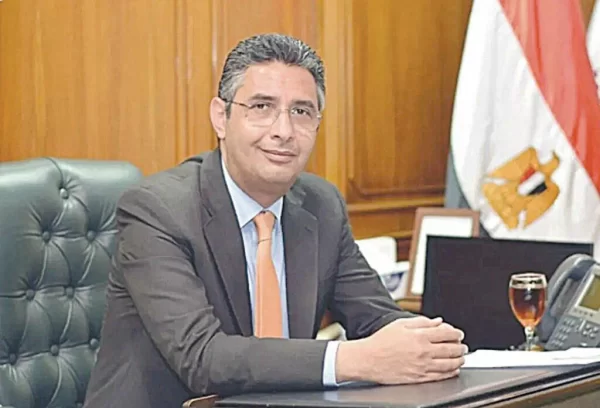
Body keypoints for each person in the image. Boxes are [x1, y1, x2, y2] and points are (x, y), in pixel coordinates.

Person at [83, 33, 467, 408]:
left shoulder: (321, 205)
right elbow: (203, 358)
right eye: (262, 107)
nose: (283, 131)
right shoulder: (157, 210)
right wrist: (356, 359)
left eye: (301, 112)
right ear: (221, 117)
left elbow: (376, 318)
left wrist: (429, 344)